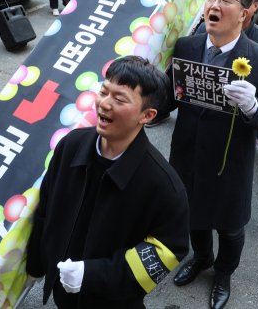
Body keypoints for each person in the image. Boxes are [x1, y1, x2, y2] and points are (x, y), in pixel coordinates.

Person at [26, 56, 190, 309]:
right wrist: (37, 264)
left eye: (119, 99)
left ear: (147, 115)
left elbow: (165, 252)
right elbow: (46, 207)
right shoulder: (70, 146)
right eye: (103, 92)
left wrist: (92, 275)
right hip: (62, 291)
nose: (104, 103)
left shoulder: (164, 187)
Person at [168, 0, 258, 309]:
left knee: (230, 228)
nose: (214, 3)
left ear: (245, 12)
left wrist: (254, 106)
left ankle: (223, 273)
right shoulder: (186, 45)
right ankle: (202, 258)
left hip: (230, 161)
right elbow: (168, 96)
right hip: (187, 153)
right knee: (193, 216)